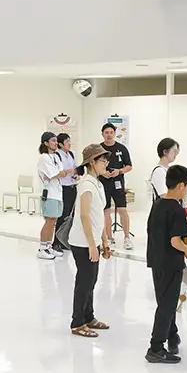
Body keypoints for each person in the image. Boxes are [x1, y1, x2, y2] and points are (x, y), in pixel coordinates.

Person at [146, 164, 187, 365]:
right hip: (171, 263)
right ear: (181, 185)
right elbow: (175, 241)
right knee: (167, 306)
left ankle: (172, 336)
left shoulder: (158, 204)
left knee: (165, 301)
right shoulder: (176, 209)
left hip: (156, 260)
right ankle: (156, 347)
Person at [69, 144, 112, 338]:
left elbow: (98, 215)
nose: (105, 164)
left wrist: (104, 241)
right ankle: (77, 322)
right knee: (85, 282)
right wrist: (92, 245)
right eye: (102, 160)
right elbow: (84, 216)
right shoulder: (86, 184)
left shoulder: (97, 184)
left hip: (92, 240)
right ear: (92, 162)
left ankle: (88, 317)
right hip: (82, 242)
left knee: (91, 281)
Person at [98, 123, 134, 249]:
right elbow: (93, 166)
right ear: (102, 134)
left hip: (118, 182)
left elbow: (129, 166)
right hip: (103, 183)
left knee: (122, 210)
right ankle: (109, 238)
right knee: (106, 211)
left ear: (114, 133)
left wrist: (119, 171)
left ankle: (127, 238)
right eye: (106, 133)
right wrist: (103, 173)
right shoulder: (98, 149)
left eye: (111, 132)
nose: (109, 135)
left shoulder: (121, 148)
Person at [37, 132, 72, 260]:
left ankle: (48, 245)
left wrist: (61, 173)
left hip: (58, 193)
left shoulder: (56, 157)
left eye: (56, 141)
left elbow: (60, 172)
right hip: (49, 194)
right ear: (46, 143)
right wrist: (62, 173)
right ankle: (42, 248)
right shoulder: (43, 158)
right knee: (49, 221)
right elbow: (55, 174)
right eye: (53, 141)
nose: (56, 143)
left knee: (54, 221)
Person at [54, 134, 79, 251]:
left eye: (69, 141)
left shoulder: (71, 154)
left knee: (70, 215)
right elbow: (57, 172)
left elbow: (75, 168)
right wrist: (68, 171)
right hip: (62, 188)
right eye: (67, 141)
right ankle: (56, 242)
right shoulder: (57, 155)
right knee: (62, 216)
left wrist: (76, 174)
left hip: (72, 187)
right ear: (60, 144)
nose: (69, 143)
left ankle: (65, 240)